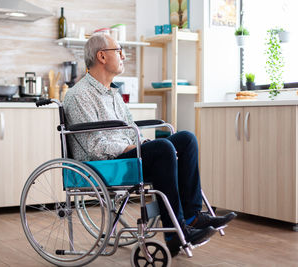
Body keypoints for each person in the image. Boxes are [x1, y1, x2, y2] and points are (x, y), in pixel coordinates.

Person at [63, 33, 236, 256]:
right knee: (163, 148)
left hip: (123, 156)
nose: (123, 56)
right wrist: (136, 148)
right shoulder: (79, 95)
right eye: (119, 51)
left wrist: (143, 145)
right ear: (102, 56)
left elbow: (129, 128)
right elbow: (95, 146)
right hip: (102, 165)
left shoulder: (113, 94)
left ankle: (192, 216)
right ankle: (175, 233)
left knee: (185, 139)